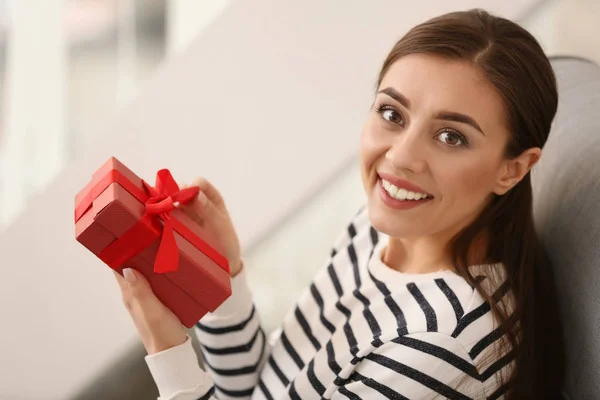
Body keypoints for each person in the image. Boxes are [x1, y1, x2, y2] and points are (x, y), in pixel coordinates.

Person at [114, 8, 566, 400]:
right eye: (392, 114)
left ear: (513, 168)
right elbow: (265, 388)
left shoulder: (438, 343)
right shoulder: (376, 230)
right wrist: (224, 277)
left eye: (451, 136)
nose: (401, 157)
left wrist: (169, 354)